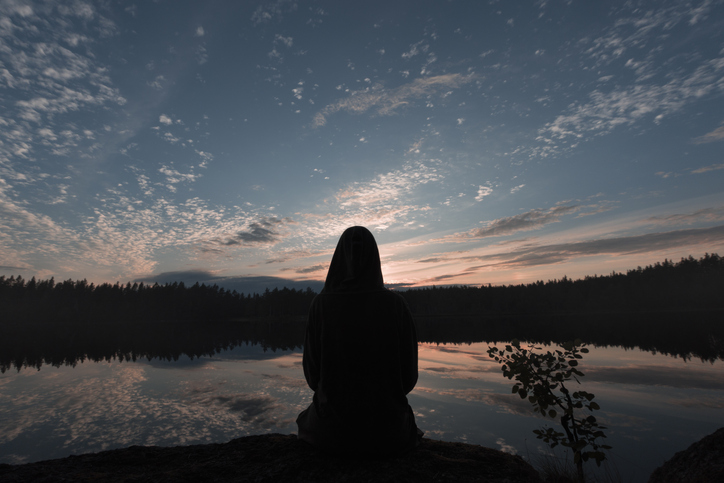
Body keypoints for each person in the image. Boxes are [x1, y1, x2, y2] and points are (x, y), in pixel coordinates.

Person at [296, 226, 420, 456]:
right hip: (388, 433)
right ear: (375, 258)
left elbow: (313, 378)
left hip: (331, 432)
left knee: (306, 418)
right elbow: (408, 379)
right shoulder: (395, 305)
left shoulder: (320, 305)